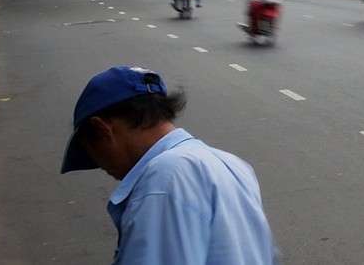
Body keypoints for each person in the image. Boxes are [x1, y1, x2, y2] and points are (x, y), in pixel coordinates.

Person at [61, 66, 278, 264]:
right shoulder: (233, 164)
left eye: (91, 151)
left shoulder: (163, 180)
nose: (100, 165)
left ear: (103, 129)